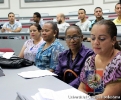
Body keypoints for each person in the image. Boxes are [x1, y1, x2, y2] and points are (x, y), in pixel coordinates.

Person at [78, 20, 121, 99]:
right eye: (93, 38)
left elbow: (105, 97)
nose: (96, 42)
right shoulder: (91, 61)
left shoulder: (118, 62)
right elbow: (83, 88)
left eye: (101, 39)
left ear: (113, 40)